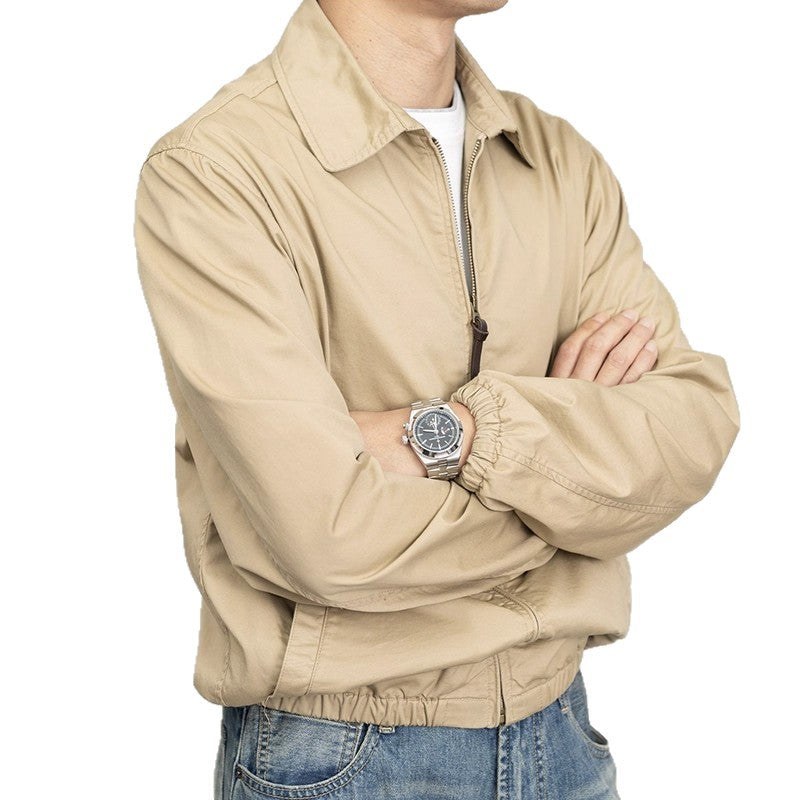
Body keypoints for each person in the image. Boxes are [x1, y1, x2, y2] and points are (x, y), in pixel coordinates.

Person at [133, 0, 740, 797]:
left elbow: (694, 424)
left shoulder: (559, 160)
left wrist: (458, 432)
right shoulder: (216, 171)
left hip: (562, 733)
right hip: (343, 754)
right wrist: (577, 483)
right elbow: (329, 533)